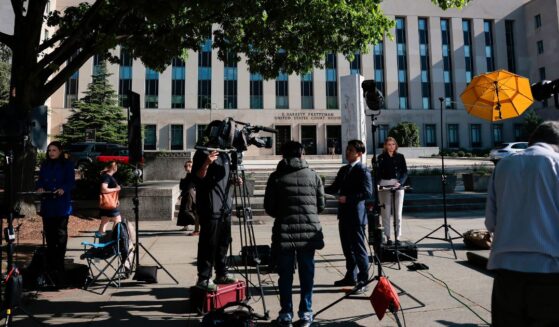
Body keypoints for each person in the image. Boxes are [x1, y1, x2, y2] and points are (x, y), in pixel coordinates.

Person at [485, 121, 559, 327]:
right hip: (549, 273)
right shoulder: (556, 162)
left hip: (506, 273)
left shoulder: (503, 165)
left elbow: (490, 223)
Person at [264, 141, 325, 327]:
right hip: (308, 234)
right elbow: (320, 206)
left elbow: (269, 207)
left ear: (283, 155)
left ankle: (286, 314)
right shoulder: (314, 175)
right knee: (307, 274)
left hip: (285, 232)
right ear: (301, 154)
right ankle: (306, 313)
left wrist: (283, 214)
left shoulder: (275, 177)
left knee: (285, 275)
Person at [192, 120, 238, 291]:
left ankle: (221, 273)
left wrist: (234, 180)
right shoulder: (202, 153)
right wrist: (207, 163)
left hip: (225, 206)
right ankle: (203, 277)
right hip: (210, 207)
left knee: (224, 242)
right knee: (208, 243)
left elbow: (225, 178)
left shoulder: (226, 154)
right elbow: (197, 178)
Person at [325, 139, 373, 290]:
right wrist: (318, 187)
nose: (347, 152)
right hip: (344, 215)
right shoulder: (344, 170)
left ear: (359, 154)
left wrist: (349, 198)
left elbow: (367, 192)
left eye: (351, 150)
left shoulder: (363, 170)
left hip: (356, 216)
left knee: (358, 249)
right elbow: (334, 188)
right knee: (347, 248)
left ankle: (363, 280)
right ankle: (350, 276)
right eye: (347, 149)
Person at [36, 141, 75, 281]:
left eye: (54, 150)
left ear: (59, 151)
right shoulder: (45, 165)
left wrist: (63, 189)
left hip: (61, 205)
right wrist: (40, 187)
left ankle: (59, 265)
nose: (51, 152)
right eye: (49, 150)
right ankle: (51, 265)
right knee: (49, 235)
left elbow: (71, 182)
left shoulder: (67, 165)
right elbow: (40, 180)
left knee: (60, 234)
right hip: (48, 205)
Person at [376, 136, 408, 245]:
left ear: (396, 145)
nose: (391, 146)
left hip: (398, 186)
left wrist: (400, 182)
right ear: (385, 146)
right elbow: (377, 173)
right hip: (385, 185)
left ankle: (397, 237)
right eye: (389, 144)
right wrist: (378, 184)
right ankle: (388, 237)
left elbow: (405, 172)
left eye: (393, 144)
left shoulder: (400, 156)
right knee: (385, 213)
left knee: (398, 213)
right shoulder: (380, 157)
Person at [97, 161, 122, 237]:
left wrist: (116, 199)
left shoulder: (105, 176)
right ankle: (114, 238)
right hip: (109, 204)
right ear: (114, 167)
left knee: (104, 220)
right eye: (116, 166)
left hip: (106, 202)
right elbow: (103, 189)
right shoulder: (107, 177)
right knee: (118, 220)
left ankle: (101, 238)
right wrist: (116, 189)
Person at [177, 160, 199, 235]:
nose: (187, 167)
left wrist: (181, 194)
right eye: (186, 166)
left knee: (187, 210)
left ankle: (198, 222)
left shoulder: (193, 175)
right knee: (183, 210)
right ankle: (185, 226)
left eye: (189, 165)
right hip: (187, 194)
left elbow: (189, 186)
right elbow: (184, 186)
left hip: (189, 194)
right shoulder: (188, 175)